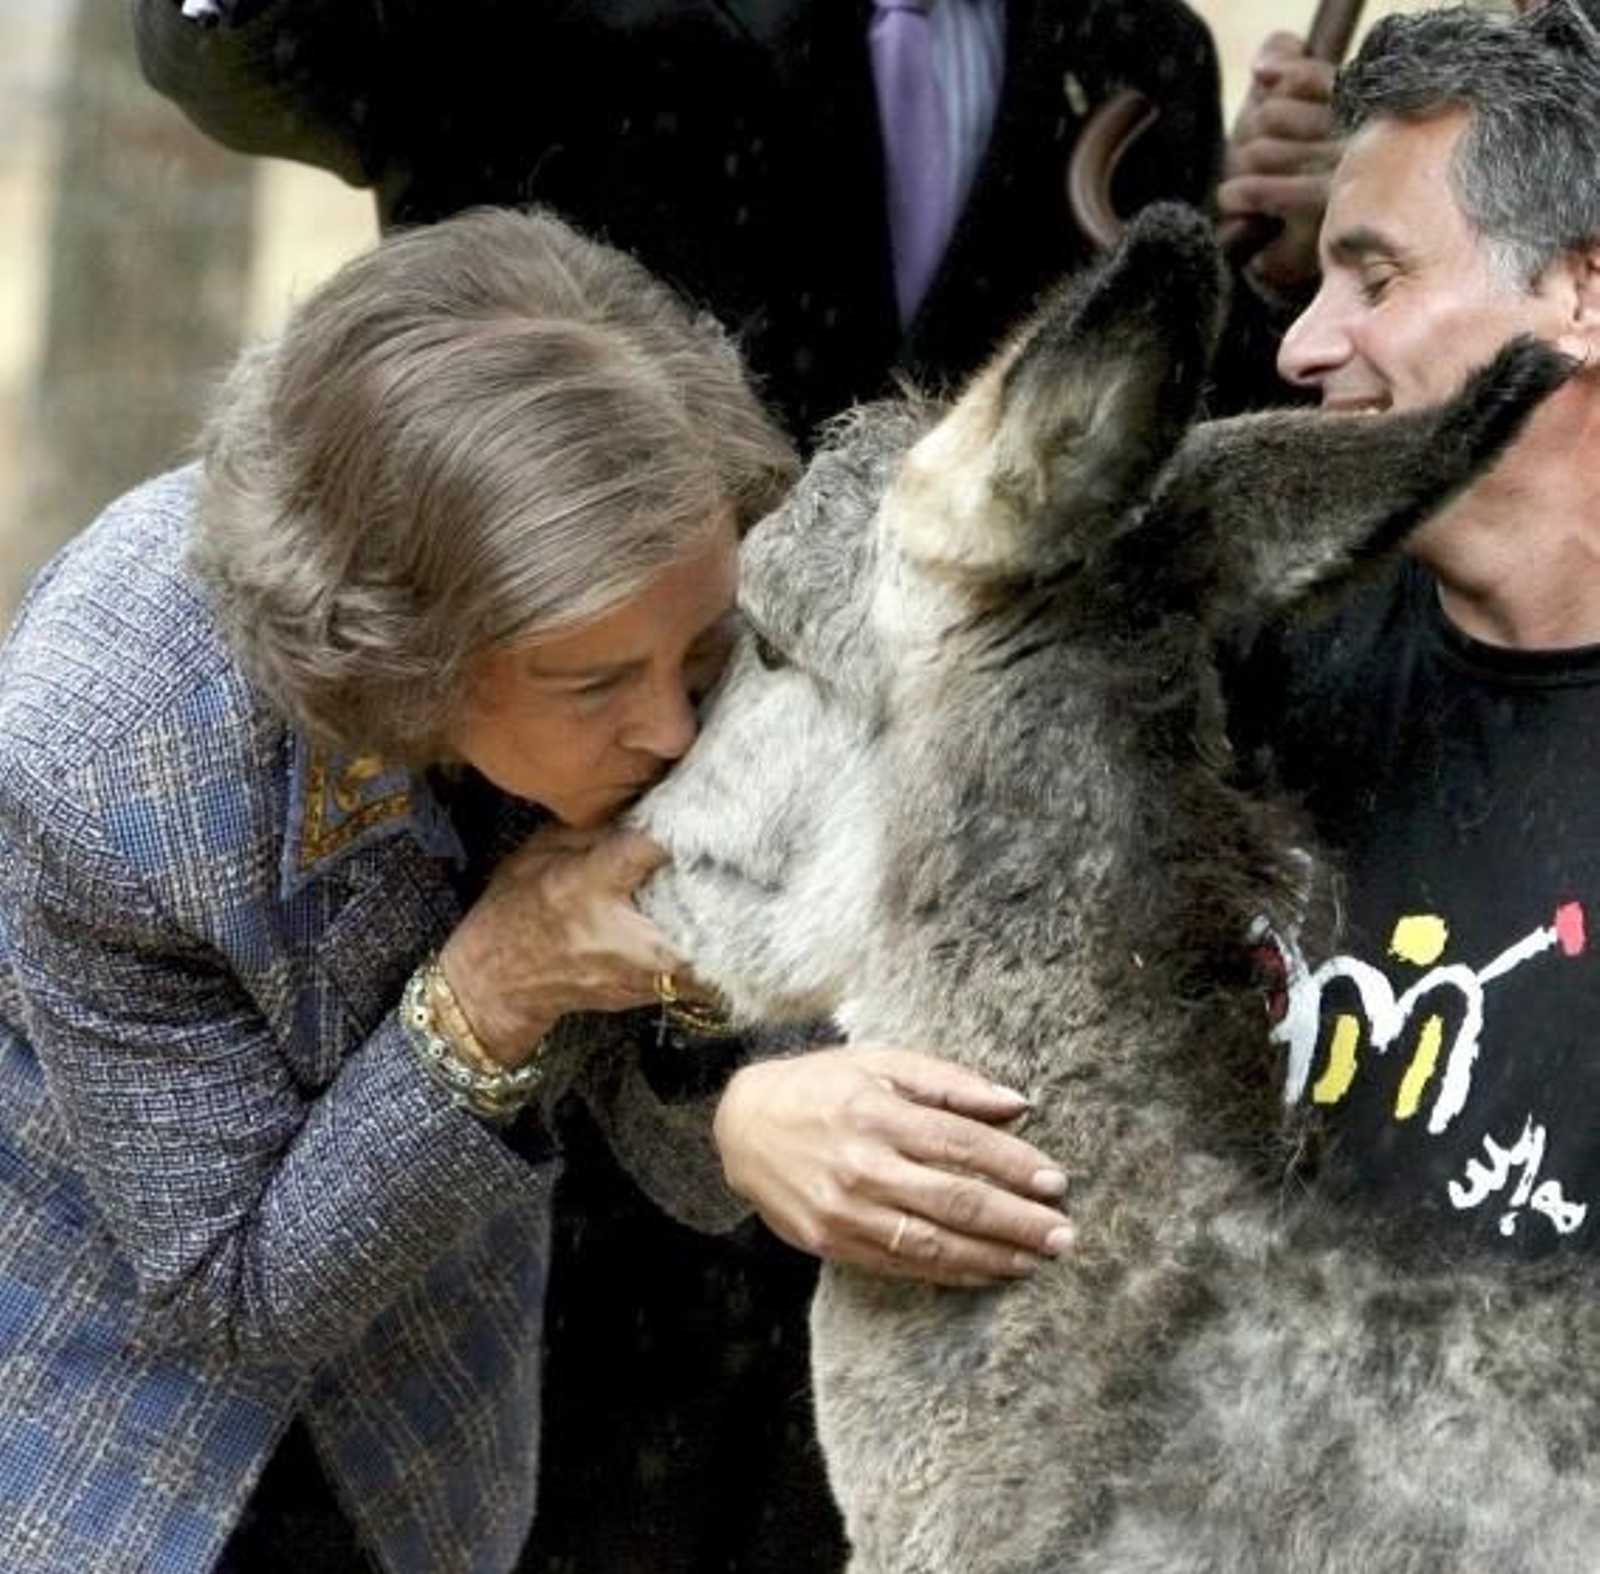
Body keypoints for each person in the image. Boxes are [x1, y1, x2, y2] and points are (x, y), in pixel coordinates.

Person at [0, 205, 1075, 1574]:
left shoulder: (655, 609)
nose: (675, 734)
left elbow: (679, 1025)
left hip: (425, 1411)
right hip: (87, 1392)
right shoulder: (99, 746)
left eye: (703, 657)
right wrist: (499, 984)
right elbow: (237, 1293)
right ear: (403, 657)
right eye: (592, 685)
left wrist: (746, 1104)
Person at [129, 0, 1338, 440]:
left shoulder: (1136, 43)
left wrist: (1279, 274)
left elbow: (1160, 426)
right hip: (585, 751)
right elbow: (250, 57)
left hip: (952, 789)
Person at [1230, 0, 1600, 1260]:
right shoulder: (1243, 662)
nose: (1299, 342)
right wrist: (770, 1104)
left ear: (1579, 292)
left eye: (1375, 279)